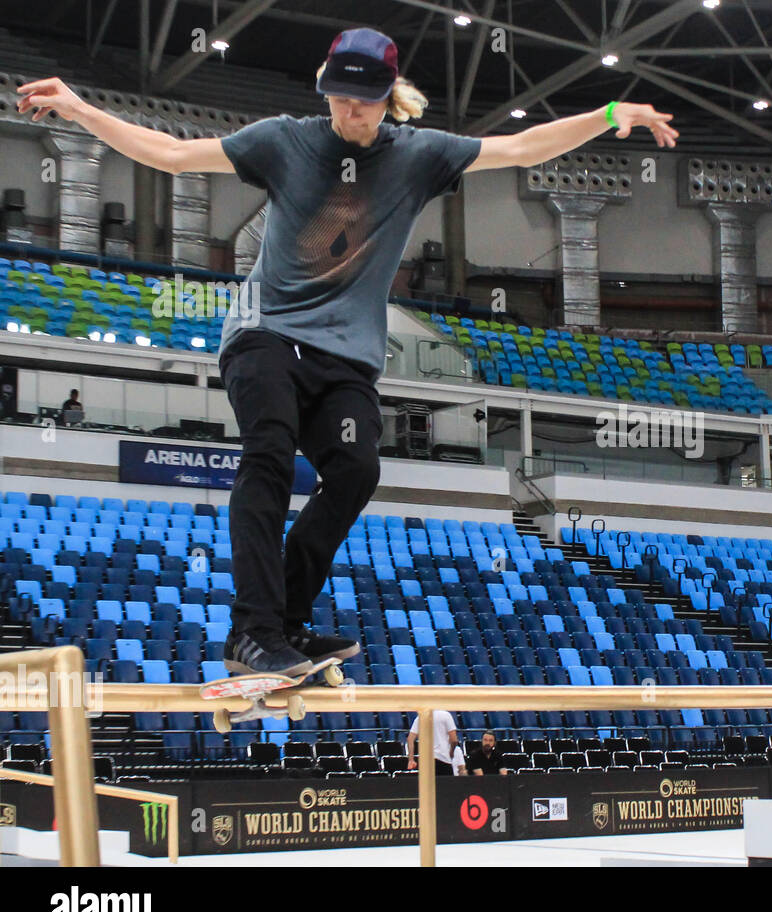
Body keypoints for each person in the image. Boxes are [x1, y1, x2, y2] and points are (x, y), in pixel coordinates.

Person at [16, 29, 677, 677]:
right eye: (337, 95)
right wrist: (79, 108)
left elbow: (525, 145)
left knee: (357, 471)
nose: (348, 110)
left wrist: (613, 112)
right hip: (264, 335)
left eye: (362, 99)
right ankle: (253, 630)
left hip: (345, 361)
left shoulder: (421, 155)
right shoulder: (284, 141)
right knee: (269, 453)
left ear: (389, 95)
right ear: (322, 85)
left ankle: (289, 619)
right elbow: (170, 154)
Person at [406, 709, 464, 776]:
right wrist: (451, 752)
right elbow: (454, 740)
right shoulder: (446, 715)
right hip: (444, 759)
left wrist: (411, 759)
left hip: (426, 761)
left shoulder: (421, 717)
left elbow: (410, 739)